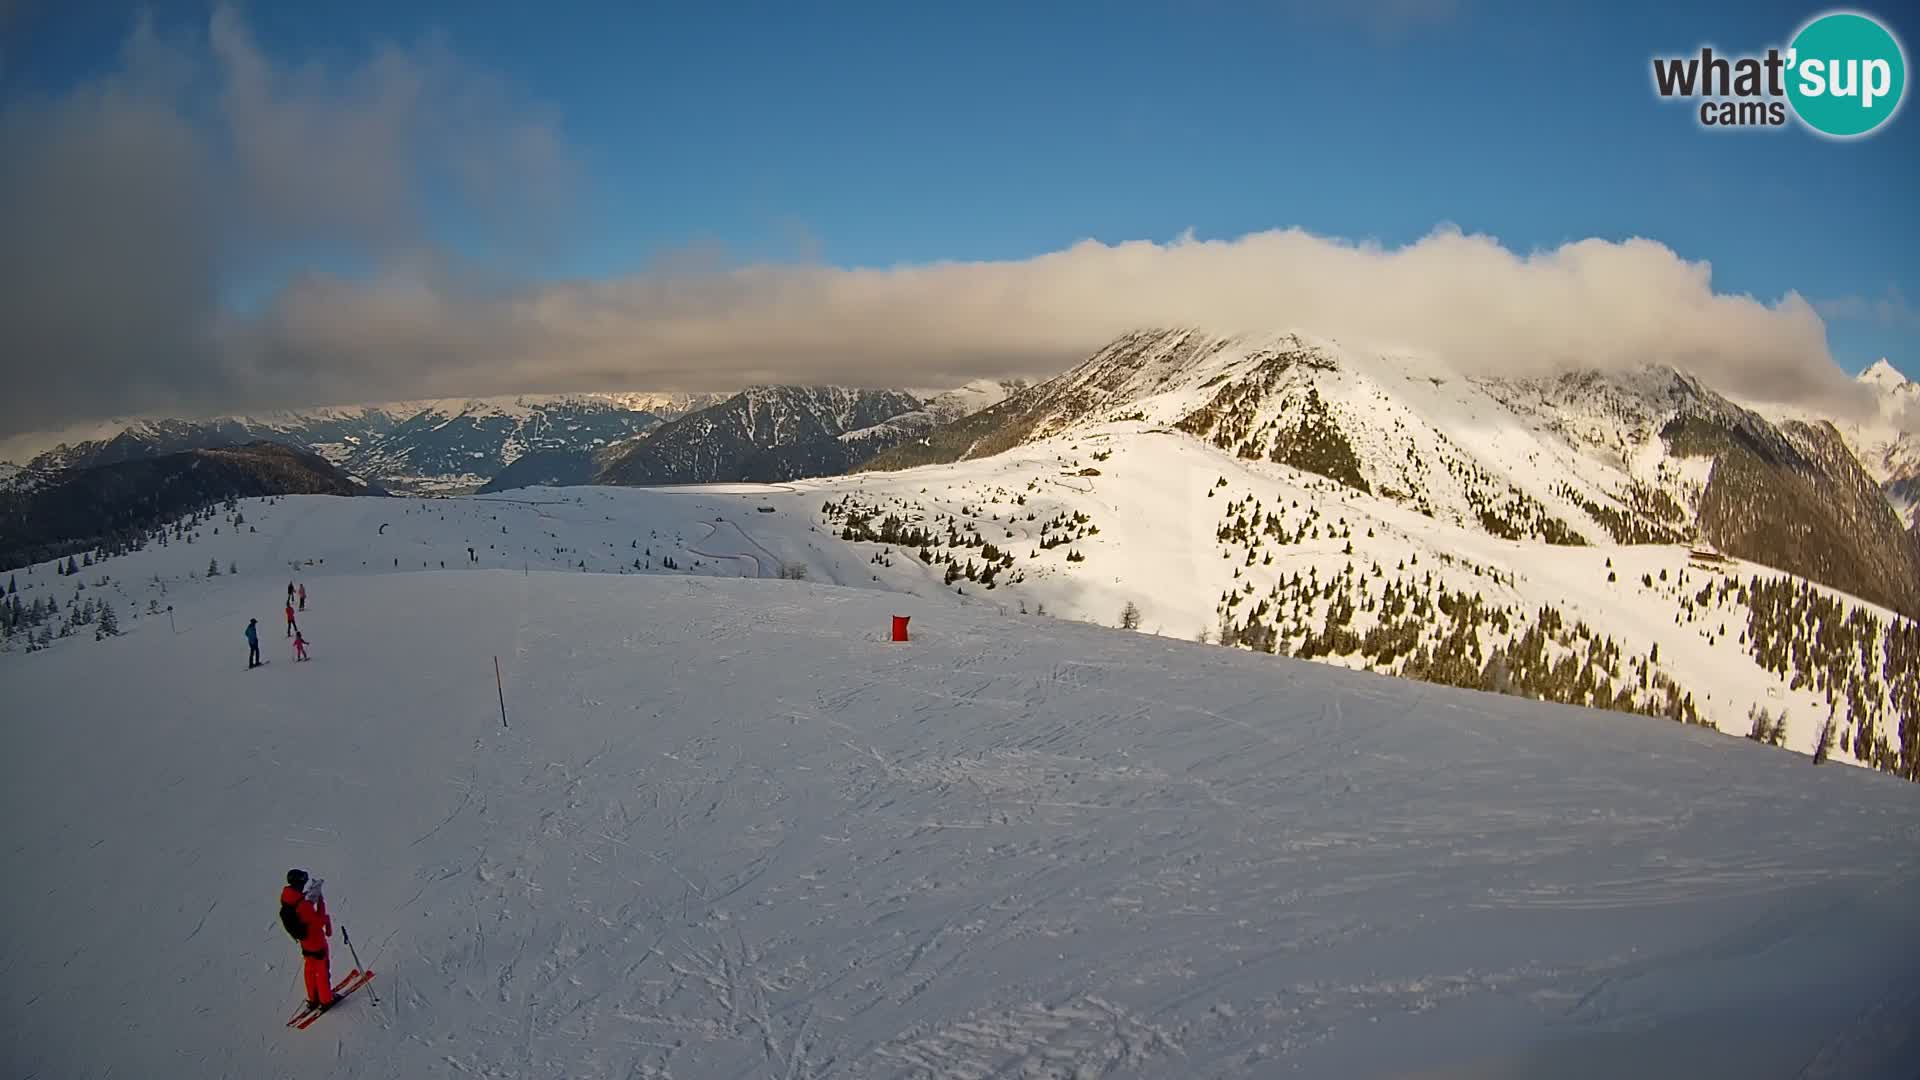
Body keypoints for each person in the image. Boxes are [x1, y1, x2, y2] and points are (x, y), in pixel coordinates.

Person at [279, 869, 335, 1010]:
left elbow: (304, 913)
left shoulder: (289, 899)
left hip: (305, 943)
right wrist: (325, 914)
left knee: (310, 969)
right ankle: (326, 1000)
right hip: (316, 942)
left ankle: (313, 998)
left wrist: (311, 899)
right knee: (322, 970)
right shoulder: (302, 905)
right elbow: (317, 922)